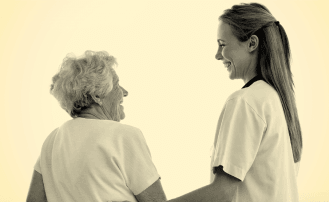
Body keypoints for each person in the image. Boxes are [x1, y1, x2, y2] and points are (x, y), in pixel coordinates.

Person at [165, 3, 302, 202]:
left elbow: (223, 193)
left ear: (252, 43)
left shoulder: (245, 102)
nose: (217, 55)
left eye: (222, 44)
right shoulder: (274, 99)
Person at [26, 50, 167, 202]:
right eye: (117, 85)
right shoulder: (123, 135)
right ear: (97, 95)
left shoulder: (52, 141)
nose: (125, 93)